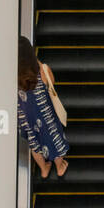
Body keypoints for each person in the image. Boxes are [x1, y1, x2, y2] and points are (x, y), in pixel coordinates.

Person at [16, 36, 70, 179]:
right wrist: (40, 64)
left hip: (27, 118)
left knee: (35, 144)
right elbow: (52, 83)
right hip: (46, 115)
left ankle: (44, 169)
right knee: (53, 138)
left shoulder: (15, 77)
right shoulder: (41, 71)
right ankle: (60, 166)